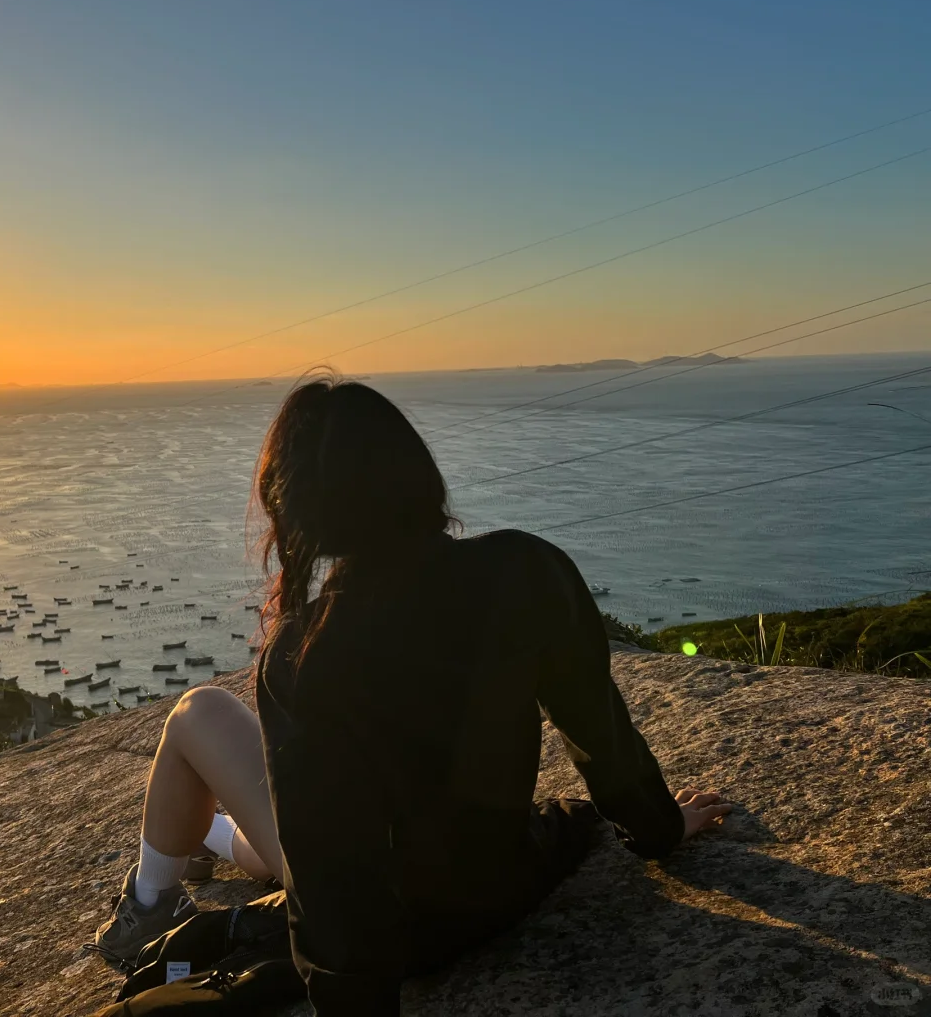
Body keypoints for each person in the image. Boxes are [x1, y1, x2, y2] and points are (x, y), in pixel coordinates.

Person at [93, 374, 731, 1013]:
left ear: (301, 509)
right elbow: (603, 739)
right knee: (290, 821)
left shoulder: (307, 651)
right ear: (418, 471)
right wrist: (661, 828)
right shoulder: (528, 568)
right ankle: (212, 837)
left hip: (397, 931)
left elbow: (332, 886)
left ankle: (150, 903)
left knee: (197, 712)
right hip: (498, 885)